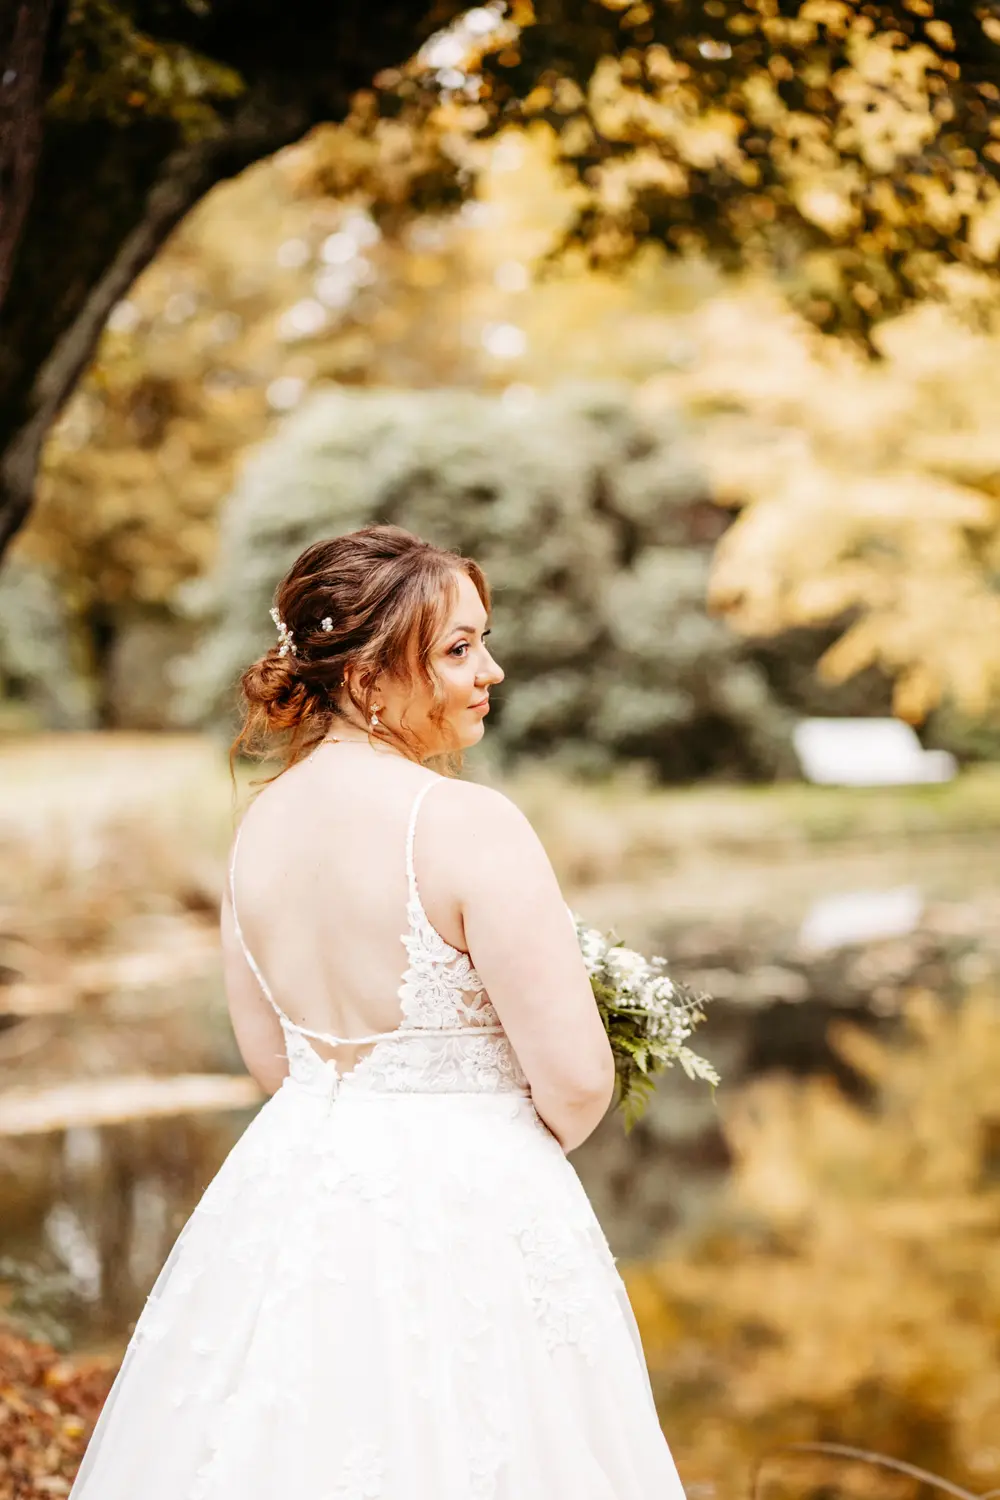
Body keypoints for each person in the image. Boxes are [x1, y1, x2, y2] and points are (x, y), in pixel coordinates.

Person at [69, 524, 686, 1499]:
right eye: (458, 648)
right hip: (476, 1207)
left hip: (295, 1196)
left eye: (481, 641)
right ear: (366, 676)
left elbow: (272, 1062)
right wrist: (492, 1156)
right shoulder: (468, 822)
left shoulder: (253, 831)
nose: (490, 669)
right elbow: (575, 1082)